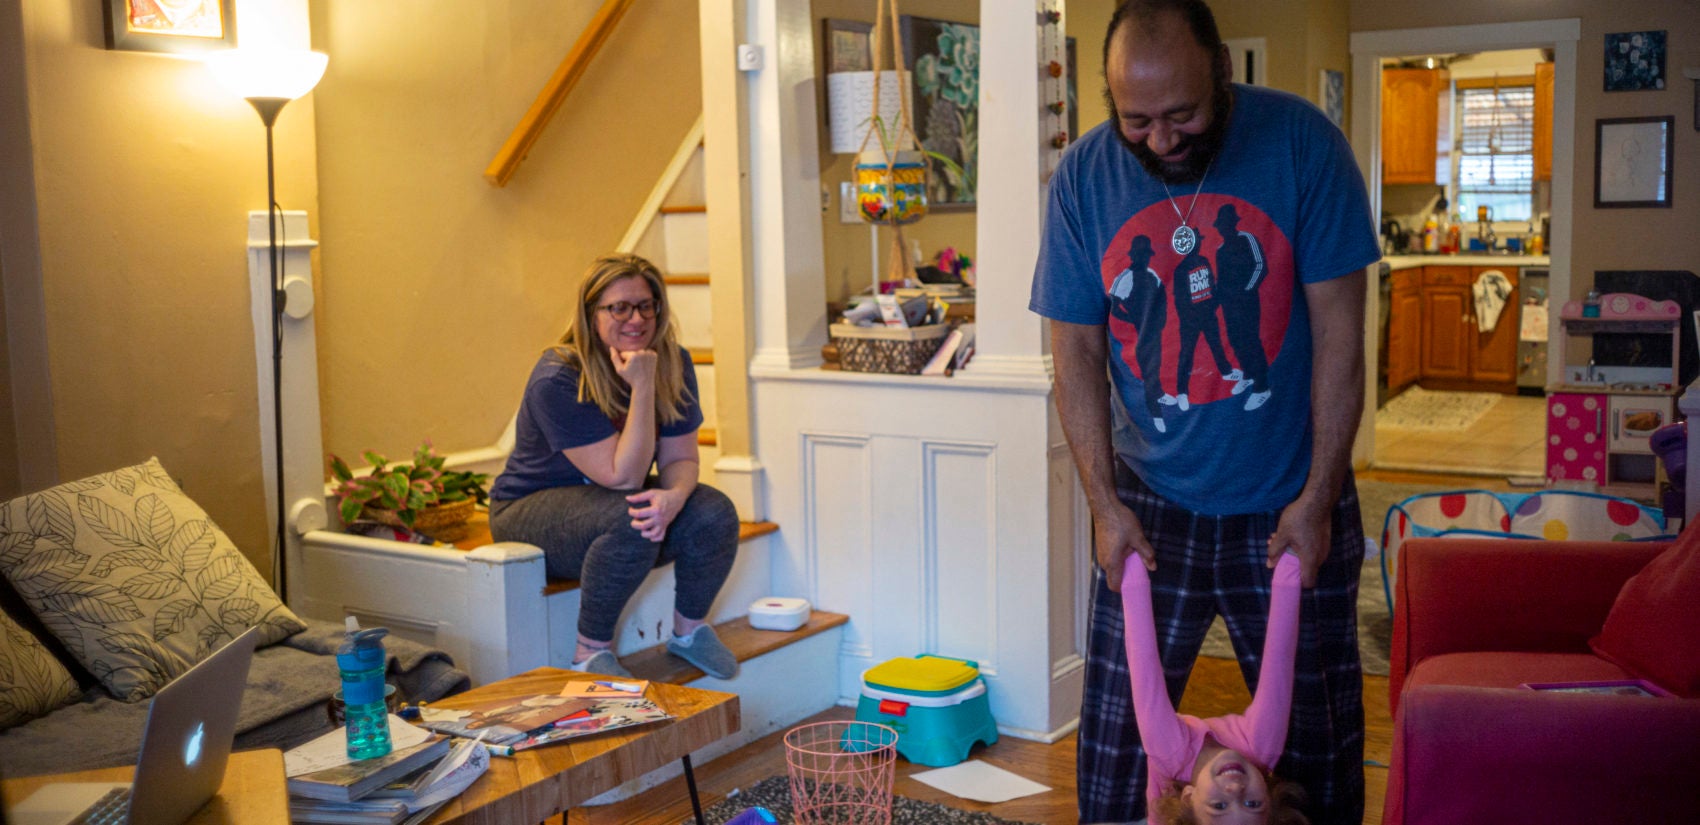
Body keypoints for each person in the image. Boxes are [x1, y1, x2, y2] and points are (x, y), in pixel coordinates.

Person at [1027, 1, 1379, 822]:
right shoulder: (1082, 178)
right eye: (1136, 120)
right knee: (1116, 757)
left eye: (1181, 113)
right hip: (1149, 505)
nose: (1160, 138)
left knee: (1319, 751)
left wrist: (1320, 496)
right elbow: (1073, 355)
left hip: (1290, 497)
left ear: (1222, 69)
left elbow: (1340, 341)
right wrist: (1102, 505)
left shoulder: (1304, 147)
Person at [488, 253, 742, 680]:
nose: (636, 318)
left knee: (713, 510)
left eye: (646, 305)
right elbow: (621, 476)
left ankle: (689, 632)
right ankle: (589, 653)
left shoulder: (671, 360)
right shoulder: (558, 377)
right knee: (633, 513)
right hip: (528, 511)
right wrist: (643, 387)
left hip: (608, 504)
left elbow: (680, 458)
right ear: (591, 315)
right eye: (619, 307)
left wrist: (674, 498)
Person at [1124, 553, 1308, 825]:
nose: (1236, 789)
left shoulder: (1168, 749)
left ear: (1188, 797)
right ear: (1270, 797)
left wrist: (1131, 558)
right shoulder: (1262, 747)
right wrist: (1292, 559)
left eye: (1219, 805)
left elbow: (1143, 663)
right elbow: (1280, 658)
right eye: (1253, 803)